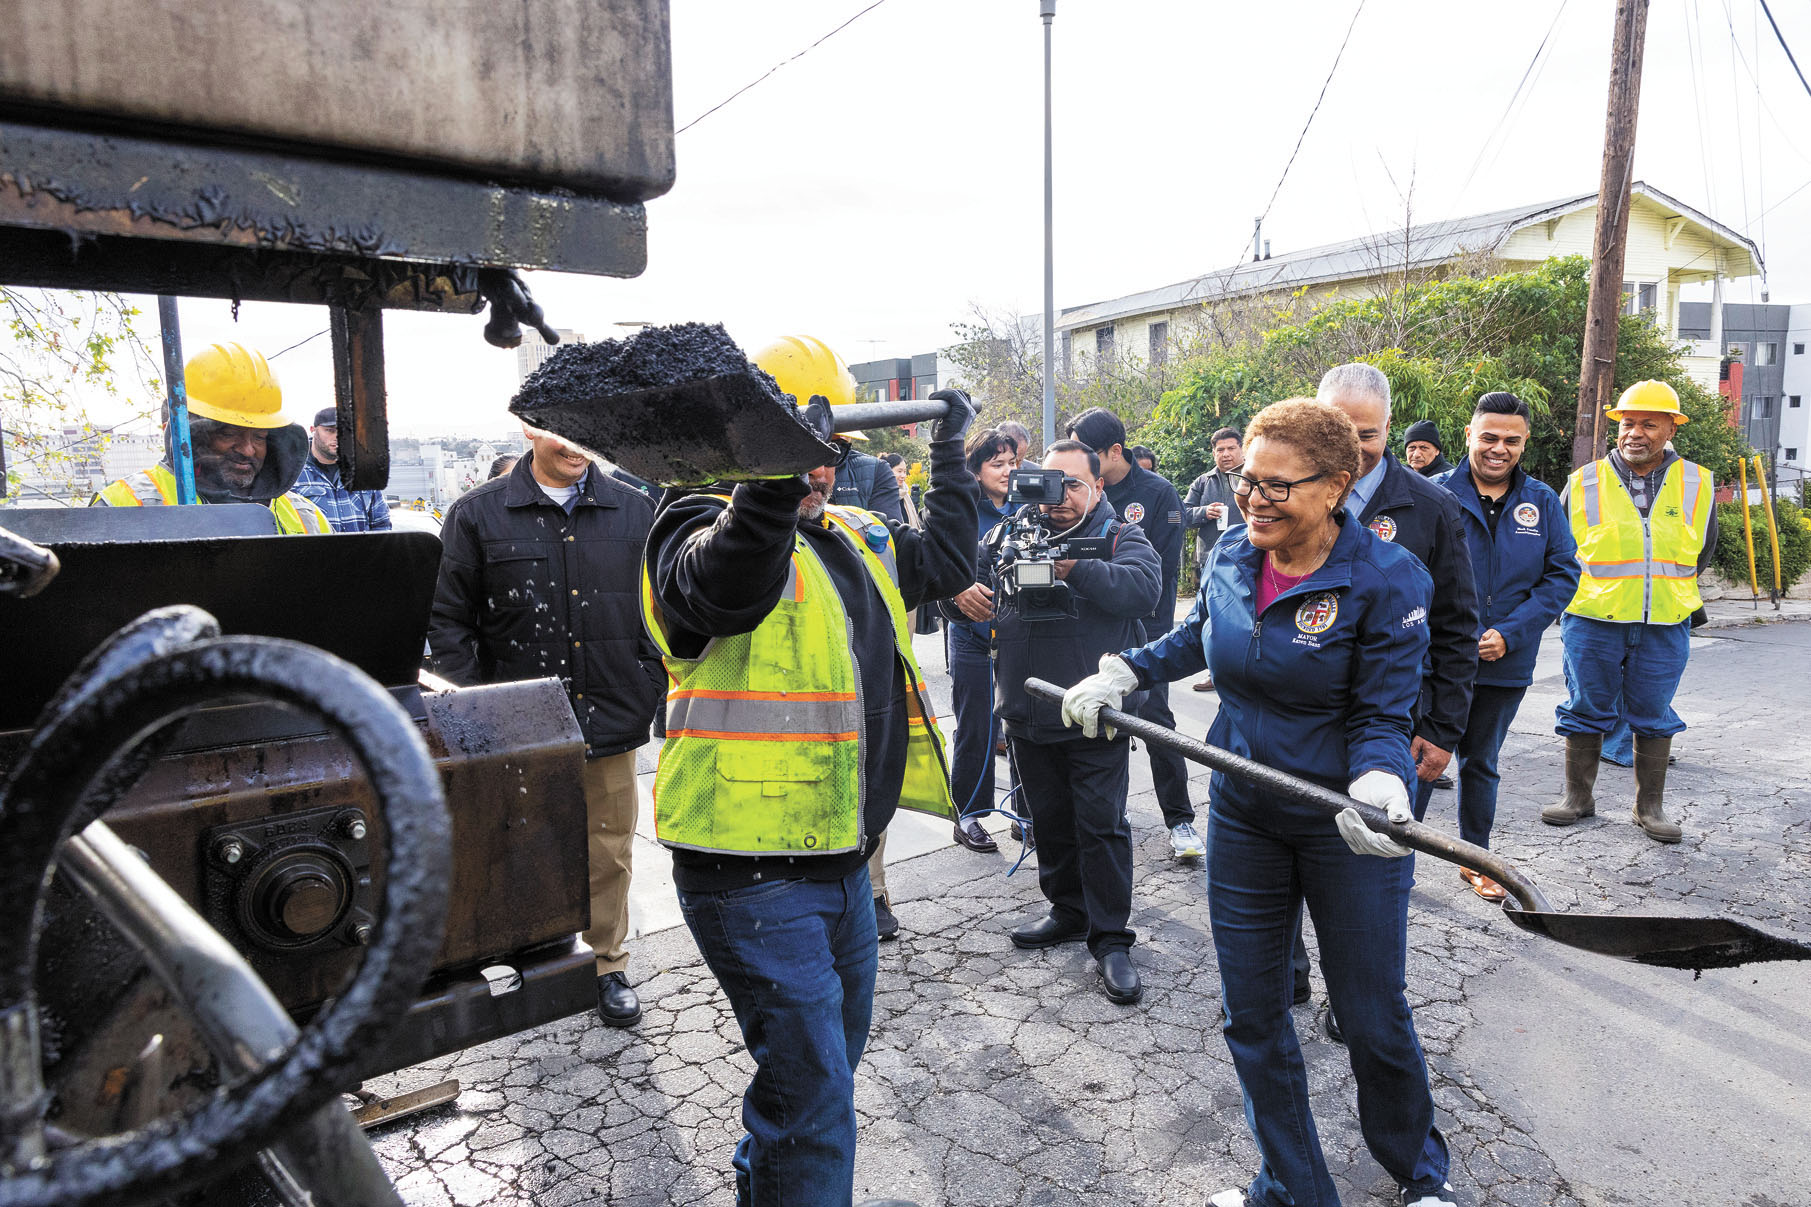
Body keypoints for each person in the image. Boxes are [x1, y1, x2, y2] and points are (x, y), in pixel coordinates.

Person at [1063, 398, 1455, 1207]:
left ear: (1337, 485)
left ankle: (1420, 1177)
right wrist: (1124, 670)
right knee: (1252, 1014)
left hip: (1346, 819)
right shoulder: (1234, 554)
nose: (1254, 500)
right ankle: (1291, 1187)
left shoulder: (1386, 578)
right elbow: (1198, 635)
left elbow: (1384, 712)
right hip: (1245, 810)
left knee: (1370, 1013)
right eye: (1247, 482)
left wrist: (1382, 782)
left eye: (1279, 486)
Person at [640, 388, 977, 1206]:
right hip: (749, 867)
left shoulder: (852, 533)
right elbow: (724, 589)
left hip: (843, 858)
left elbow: (948, 563)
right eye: (801, 446)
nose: (821, 463)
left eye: (825, 447)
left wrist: (948, 455)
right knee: (818, 1097)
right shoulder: (689, 525)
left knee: (813, 1079)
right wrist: (772, 476)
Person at [429, 423, 662, 1028]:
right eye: (561, 434)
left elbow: (662, 609)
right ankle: (529, 966)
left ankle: (605, 966)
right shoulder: (478, 515)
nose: (576, 447)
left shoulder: (636, 511)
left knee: (607, 851)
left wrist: (648, 679)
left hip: (610, 713)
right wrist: (472, 710)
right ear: (530, 430)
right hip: (516, 726)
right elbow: (448, 622)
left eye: (587, 435)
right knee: (516, 846)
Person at [1312, 363, 1477, 1031]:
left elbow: (1458, 624)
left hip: (1395, 730)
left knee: (1374, 875)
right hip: (1308, 724)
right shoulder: (1290, 489)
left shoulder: (1430, 508)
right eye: (1337, 431)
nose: (1352, 449)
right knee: (1300, 856)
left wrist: (1440, 729)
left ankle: (1359, 996)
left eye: (1369, 433)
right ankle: (1294, 969)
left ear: (1389, 425)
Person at [990, 439, 1160, 1003]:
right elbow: (969, 588)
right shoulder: (1012, 532)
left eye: (1072, 485)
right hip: (1027, 713)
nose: (1058, 497)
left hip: (1093, 716)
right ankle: (1067, 910)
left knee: (1100, 826)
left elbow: (1145, 591)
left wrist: (1075, 567)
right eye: (1048, 483)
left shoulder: (1117, 537)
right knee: (1050, 820)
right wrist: (957, 598)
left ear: (1098, 485)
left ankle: (1111, 939)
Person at [1545, 380, 1717, 843]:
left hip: (1665, 621)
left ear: (1670, 429)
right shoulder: (1582, 481)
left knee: (1654, 713)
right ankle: (1577, 798)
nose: (1634, 432)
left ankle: (1649, 807)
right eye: (1626, 423)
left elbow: (1703, 552)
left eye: (1647, 423)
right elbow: (1559, 553)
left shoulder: (1698, 482)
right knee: (1584, 708)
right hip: (1593, 620)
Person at [1430, 393, 1578, 899]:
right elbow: (1404, 574)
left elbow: (1562, 576)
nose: (1498, 448)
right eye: (1488, 437)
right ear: (1469, 435)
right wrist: (1449, 634)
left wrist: (1511, 633)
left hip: (1505, 663)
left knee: (1481, 762)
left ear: (1524, 442)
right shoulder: (1434, 496)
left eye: (1510, 440)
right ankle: (1393, 855)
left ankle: (1476, 857)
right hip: (1435, 662)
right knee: (1421, 757)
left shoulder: (1542, 501)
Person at [1064, 407, 1203, 861]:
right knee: (1084, 723)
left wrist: (1152, 640)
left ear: (1113, 452)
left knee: (1157, 725)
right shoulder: (1071, 494)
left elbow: (1159, 575)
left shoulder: (1157, 492)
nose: (1080, 464)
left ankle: (1180, 820)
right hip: (1086, 634)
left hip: (1145, 636)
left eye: (1089, 452)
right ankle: (1095, 821)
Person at [95, 342, 330, 534]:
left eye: (259, 437)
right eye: (228, 433)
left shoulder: (306, 518)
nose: (248, 450)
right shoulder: (125, 505)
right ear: (191, 434)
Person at [939, 428, 1020, 854]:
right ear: (976, 469)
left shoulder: (1028, 506)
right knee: (976, 724)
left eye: (1012, 462)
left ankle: (1026, 811)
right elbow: (937, 566)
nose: (1007, 471)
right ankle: (967, 814)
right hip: (969, 633)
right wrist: (956, 589)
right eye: (997, 463)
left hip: (1019, 634)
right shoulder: (960, 511)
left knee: (1022, 720)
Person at [1182, 426, 1245, 691]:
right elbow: (1180, 515)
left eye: (1231, 448)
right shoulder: (1203, 482)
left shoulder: (1253, 476)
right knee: (1210, 617)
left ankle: (1244, 675)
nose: (1226, 454)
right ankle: (1214, 672)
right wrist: (1202, 512)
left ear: (1242, 449)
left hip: (1247, 556)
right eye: (1220, 450)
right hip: (1209, 559)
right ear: (1213, 453)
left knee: (1244, 617)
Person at [293, 407, 393, 532]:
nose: (338, 437)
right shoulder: (293, 474)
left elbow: (382, 524)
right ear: (313, 430)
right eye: (330, 430)